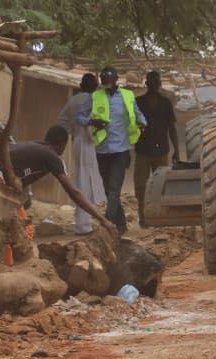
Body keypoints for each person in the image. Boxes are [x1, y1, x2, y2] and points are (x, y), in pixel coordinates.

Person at [0, 125, 117, 241]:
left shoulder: (34, 146)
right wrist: (103, 220)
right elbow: (74, 193)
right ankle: (17, 268)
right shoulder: (51, 156)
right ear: (62, 144)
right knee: (24, 233)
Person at [77, 66, 147, 234]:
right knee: (109, 190)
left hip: (121, 149)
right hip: (102, 150)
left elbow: (139, 115)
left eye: (110, 82)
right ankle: (121, 226)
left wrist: (142, 123)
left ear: (116, 80)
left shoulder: (127, 96)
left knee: (114, 188)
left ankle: (107, 224)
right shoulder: (95, 97)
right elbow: (80, 117)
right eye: (104, 82)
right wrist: (92, 122)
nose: (107, 85)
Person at [57, 73, 106, 235]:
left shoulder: (73, 100)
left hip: (78, 142)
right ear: (94, 86)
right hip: (89, 143)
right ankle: (83, 225)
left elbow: (62, 122)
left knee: (82, 180)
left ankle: (84, 222)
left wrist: (71, 133)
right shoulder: (93, 100)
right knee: (85, 182)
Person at [133, 71, 180, 228]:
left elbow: (172, 128)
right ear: (146, 83)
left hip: (161, 150)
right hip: (142, 150)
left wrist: (177, 150)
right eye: (151, 81)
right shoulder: (138, 102)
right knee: (141, 187)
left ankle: (161, 219)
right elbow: (130, 126)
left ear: (160, 84)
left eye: (156, 81)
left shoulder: (166, 103)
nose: (154, 83)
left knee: (162, 186)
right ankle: (143, 219)